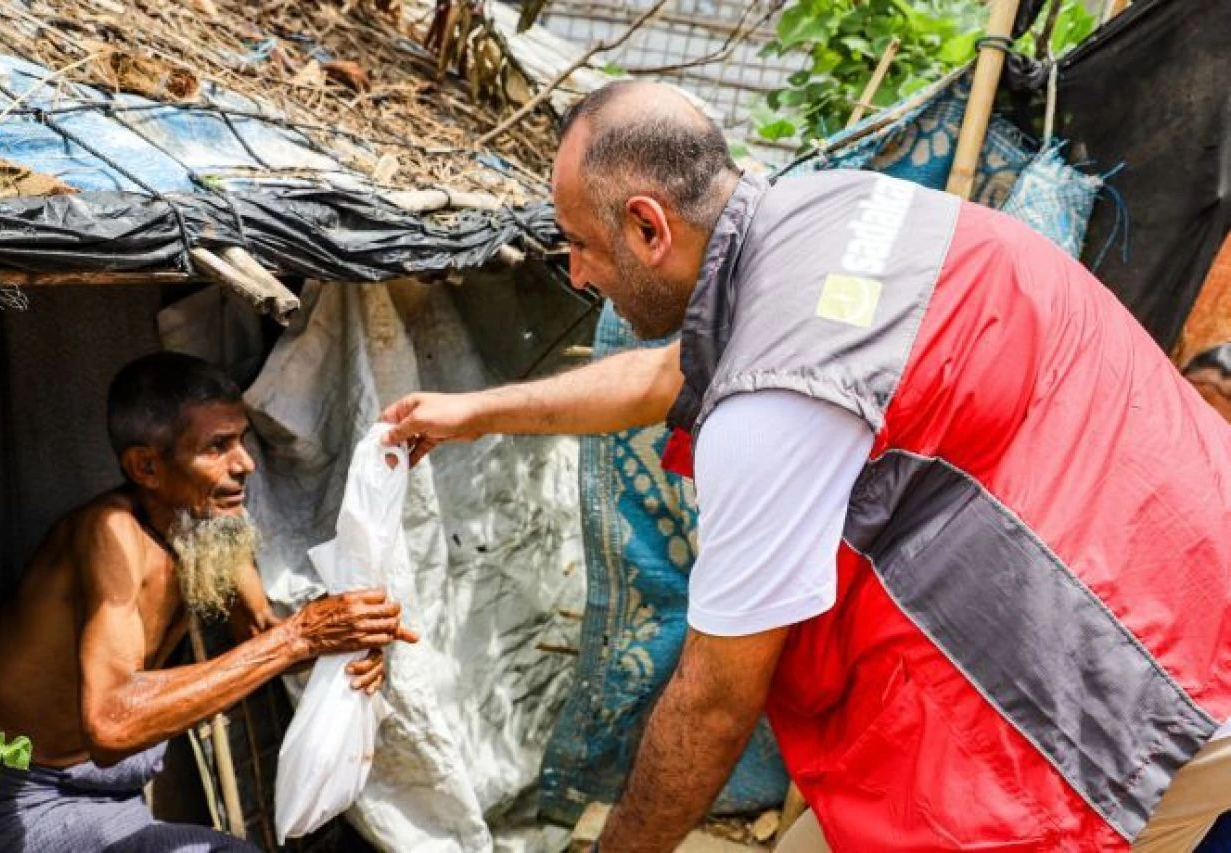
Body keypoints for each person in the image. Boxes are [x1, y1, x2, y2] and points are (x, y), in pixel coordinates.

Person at [381, 81, 1231, 851]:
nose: (576, 272)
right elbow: (671, 371)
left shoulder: (771, 410)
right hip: (1191, 558)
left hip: (1146, 686)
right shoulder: (843, 214)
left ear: (648, 225)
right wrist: (474, 413)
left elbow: (713, 704)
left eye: (581, 245)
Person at [0, 352, 417, 852]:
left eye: (241, 440)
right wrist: (301, 635)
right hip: (17, 796)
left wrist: (343, 642)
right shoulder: (110, 534)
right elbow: (110, 723)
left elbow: (263, 634)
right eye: (217, 446)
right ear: (146, 466)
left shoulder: (211, 520)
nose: (245, 464)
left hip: (112, 792)